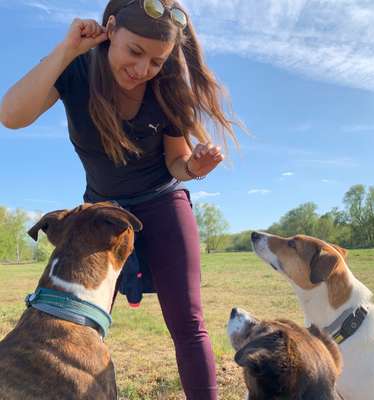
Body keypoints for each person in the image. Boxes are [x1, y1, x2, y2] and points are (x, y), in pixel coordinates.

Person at [0, 0, 240, 398]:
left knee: (188, 322)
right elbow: (11, 115)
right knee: (76, 321)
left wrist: (195, 168)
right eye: (134, 51)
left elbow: (176, 162)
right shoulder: (76, 67)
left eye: (156, 60)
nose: (143, 68)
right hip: (100, 214)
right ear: (110, 29)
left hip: (162, 203)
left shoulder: (166, 90)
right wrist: (67, 50)